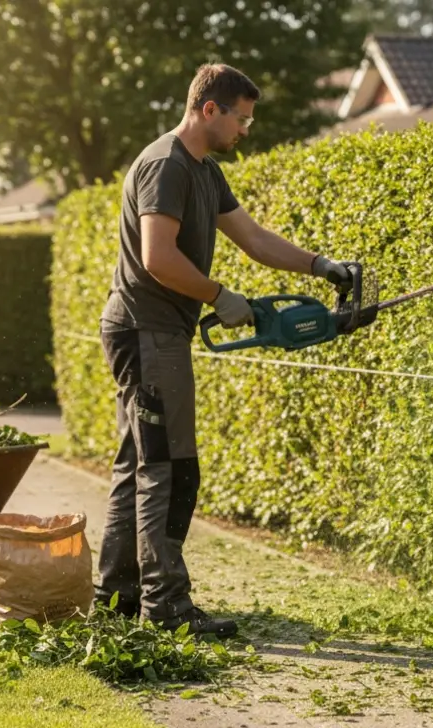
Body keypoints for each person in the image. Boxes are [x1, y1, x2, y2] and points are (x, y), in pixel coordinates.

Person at [96, 63, 352, 637]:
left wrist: (320, 265)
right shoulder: (167, 165)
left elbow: (254, 238)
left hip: (152, 331)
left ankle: (115, 600)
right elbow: (158, 257)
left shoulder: (205, 172)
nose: (245, 130)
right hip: (147, 331)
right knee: (170, 468)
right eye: (241, 118)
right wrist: (220, 296)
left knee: (137, 466)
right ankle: (166, 609)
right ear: (208, 109)